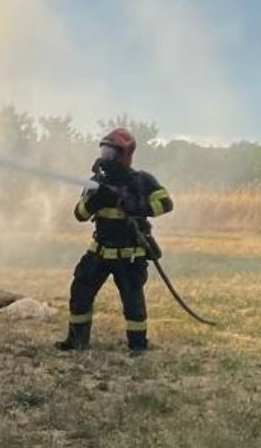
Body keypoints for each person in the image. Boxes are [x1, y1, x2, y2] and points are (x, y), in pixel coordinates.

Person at [57, 128, 173, 354]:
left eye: (110, 152)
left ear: (124, 154)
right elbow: (79, 214)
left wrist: (137, 207)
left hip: (130, 255)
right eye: (103, 151)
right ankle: (77, 342)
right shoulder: (95, 184)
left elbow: (166, 203)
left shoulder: (142, 181)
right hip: (99, 251)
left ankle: (138, 345)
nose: (104, 157)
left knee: (133, 302)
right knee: (80, 292)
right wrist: (94, 202)